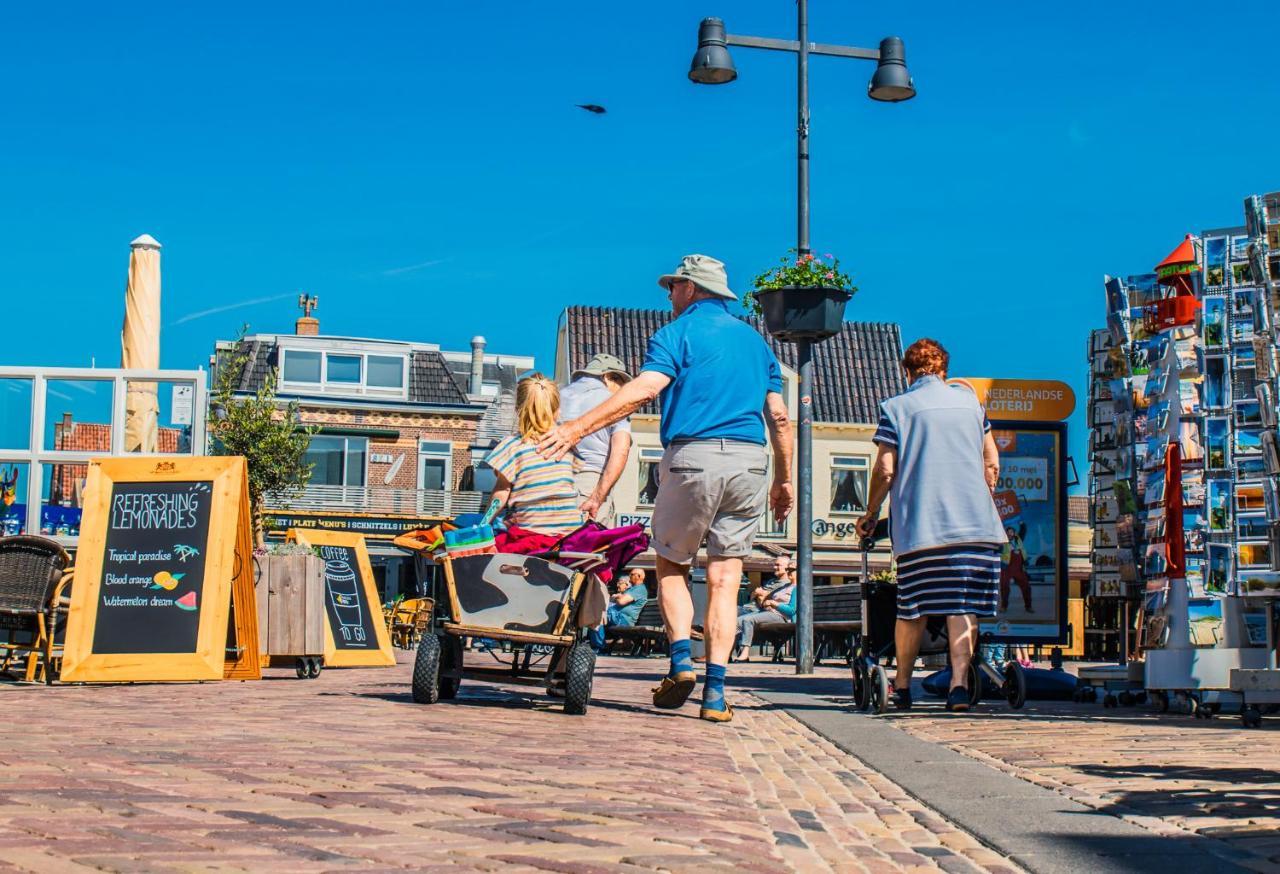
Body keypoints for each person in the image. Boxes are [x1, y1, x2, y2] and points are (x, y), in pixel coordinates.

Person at [539, 254, 794, 723]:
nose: (668, 294)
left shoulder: (676, 334)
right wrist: (783, 480)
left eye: (673, 286)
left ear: (691, 289)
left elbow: (644, 389)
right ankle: (715, 696)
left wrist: (576, 429)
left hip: (694, 457)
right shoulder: (759, 344)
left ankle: (680, 661)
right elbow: (778, 416)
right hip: (750, 463)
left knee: (671, 562)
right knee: (725, 580)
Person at [855, 338, 1005, 714]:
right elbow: (991, 462)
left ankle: (903, 687)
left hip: (923, 529)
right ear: (944, 372)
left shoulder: (897, 408)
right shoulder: (972, 406)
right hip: (974, 528)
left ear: (907, 372)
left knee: (913, 608)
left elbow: (885, 469)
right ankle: (958, 687)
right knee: (963, 606)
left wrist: (871, 513)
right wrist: (980, 493)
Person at [484, 374, 584, 536]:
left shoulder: (512, 446)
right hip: (568, 535)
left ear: (518, 410)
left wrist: (483, 523)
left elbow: (501, 493)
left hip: (531, 532)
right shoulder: (566, 444)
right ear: (557, 411)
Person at [558, 353, 633, 527]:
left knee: (550, 551)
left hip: (551, 481)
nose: (623, 390)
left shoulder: (555, 397)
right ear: (608, 377)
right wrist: (597, 497)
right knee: (585, 550)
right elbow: (621, 451)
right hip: (589, 486)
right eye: (621, 383)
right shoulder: (615, 403)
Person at [733, 556, 795, 662]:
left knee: (747, 620)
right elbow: (762, 601)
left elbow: (792, 611)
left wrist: (773, 603)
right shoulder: (783, 587)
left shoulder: (797, 587)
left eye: (791, 570)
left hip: (781, 617)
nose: (788, 572)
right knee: (737, 621)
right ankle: (728, 653)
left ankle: (745, 653)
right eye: (788, 569)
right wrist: (766, 601)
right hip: (768, 613)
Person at [589, 568, 650, 652]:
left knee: (599, 614)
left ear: (638, 576)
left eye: (631, 574)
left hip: (624, 619)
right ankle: (597, 646)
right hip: (617, 616)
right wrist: (619, 596)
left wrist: (617, 597)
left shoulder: (639, 589)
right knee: (596, 615)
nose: (629, 576)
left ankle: (599, 647)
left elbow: (621, 602)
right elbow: (621, 599)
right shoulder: (632, 589)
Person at [1000, 523, 1034, 613]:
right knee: (1004, 587)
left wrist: (1022, 524)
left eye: (1012, 532)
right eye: (1008, 532)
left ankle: (1028, 606)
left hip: (1019, 567)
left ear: (1014, 533)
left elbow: (1023, 531)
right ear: (1006, 534)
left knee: (1026, 587)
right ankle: (1004, 606)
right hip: (1007, 567)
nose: (1010, 533)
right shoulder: (1003, 541)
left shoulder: (1018, 540)